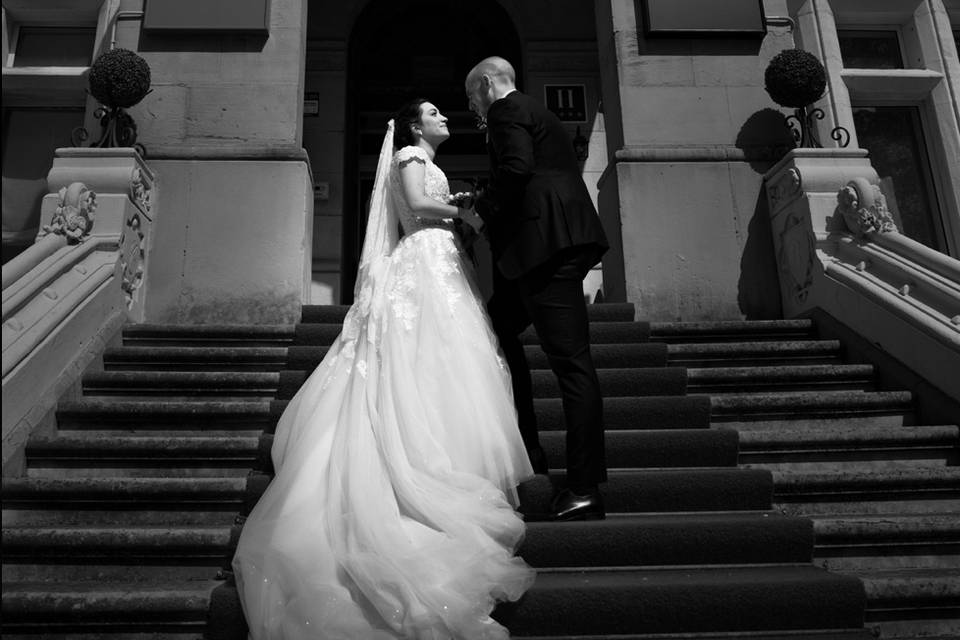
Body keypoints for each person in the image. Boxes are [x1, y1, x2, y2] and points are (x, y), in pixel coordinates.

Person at [231, 98, 535, 639]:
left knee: (450, 358)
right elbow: (417, 206)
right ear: (416, 126)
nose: (445, 118)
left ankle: (445, 447)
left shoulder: (422, 158)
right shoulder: (410, 160)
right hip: (425, 259)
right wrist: (466, 209)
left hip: (439, 259)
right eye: (434, 113)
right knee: (434, 352)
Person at [465, 56, 610, 521]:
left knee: (572, 366)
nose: (475, 111)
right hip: (540, 252)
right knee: (498, 326)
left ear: (488, 84)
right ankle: (528, 449)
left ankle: (584, 487)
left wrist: (480, 209)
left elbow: (516, 169)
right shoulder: (537, 112)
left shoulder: (507, 111)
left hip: (546, 250)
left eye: (473, 99)